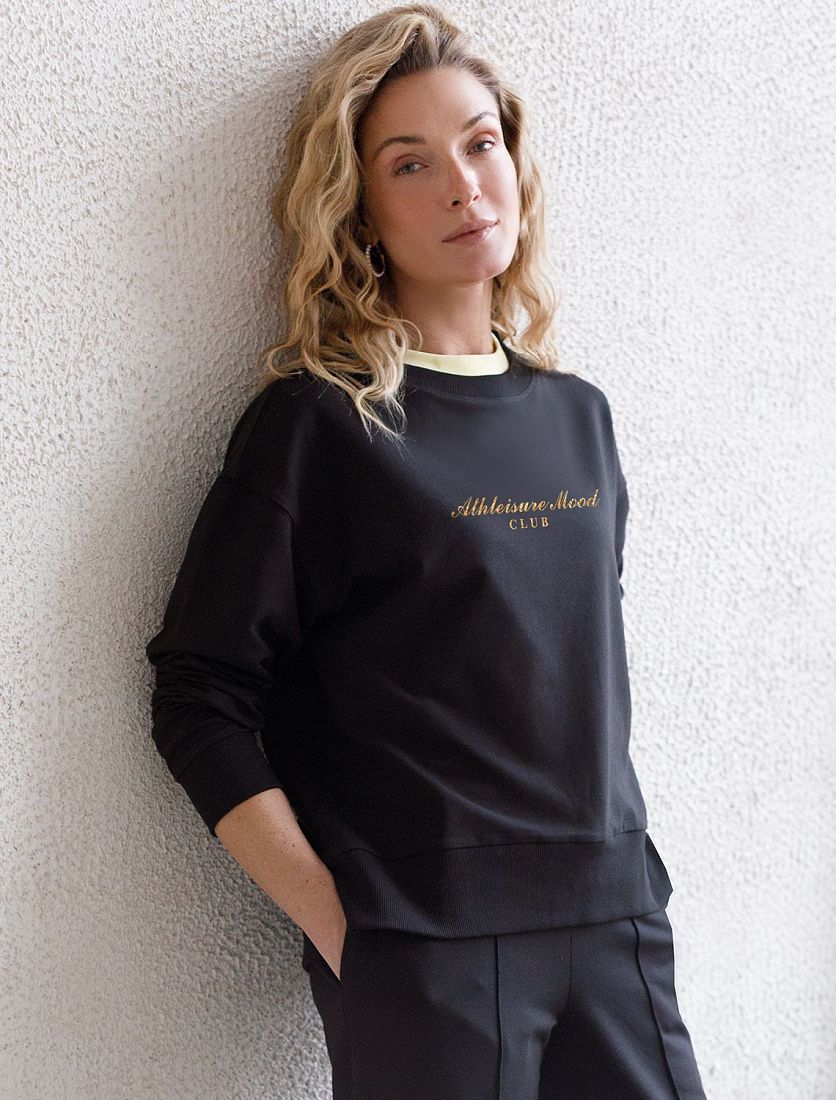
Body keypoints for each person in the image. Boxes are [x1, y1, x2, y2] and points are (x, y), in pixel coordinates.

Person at [144, 5, 708, 1097]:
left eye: (479, 144)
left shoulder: (578, 415)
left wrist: (625, 895)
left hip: (616, 920)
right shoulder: (320, 425)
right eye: (410, 164)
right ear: (359, 212)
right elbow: (198, 692)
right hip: (426, 944)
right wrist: (347, 926)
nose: (461, 186)